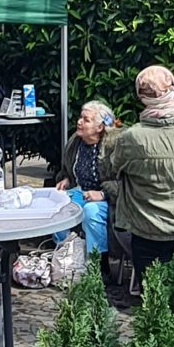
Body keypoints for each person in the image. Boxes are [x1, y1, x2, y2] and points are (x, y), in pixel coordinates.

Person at [111, 66, 174, 287]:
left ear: (141, 97)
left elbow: (115, 166)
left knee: (153, 297)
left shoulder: (132, 137)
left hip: (147, 230)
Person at [55, 101, 117, 281]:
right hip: (81, 191)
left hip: (109, 198)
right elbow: (67, 169)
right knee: (58, 206)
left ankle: (98, 265)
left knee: (91, 211)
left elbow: (124, 182)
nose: (79, 122)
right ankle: (65, 257)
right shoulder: (76, 141)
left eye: (86, 120)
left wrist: (103, 194)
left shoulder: (113, 147)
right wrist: (67, 179)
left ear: (100, 127)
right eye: (80, 117)